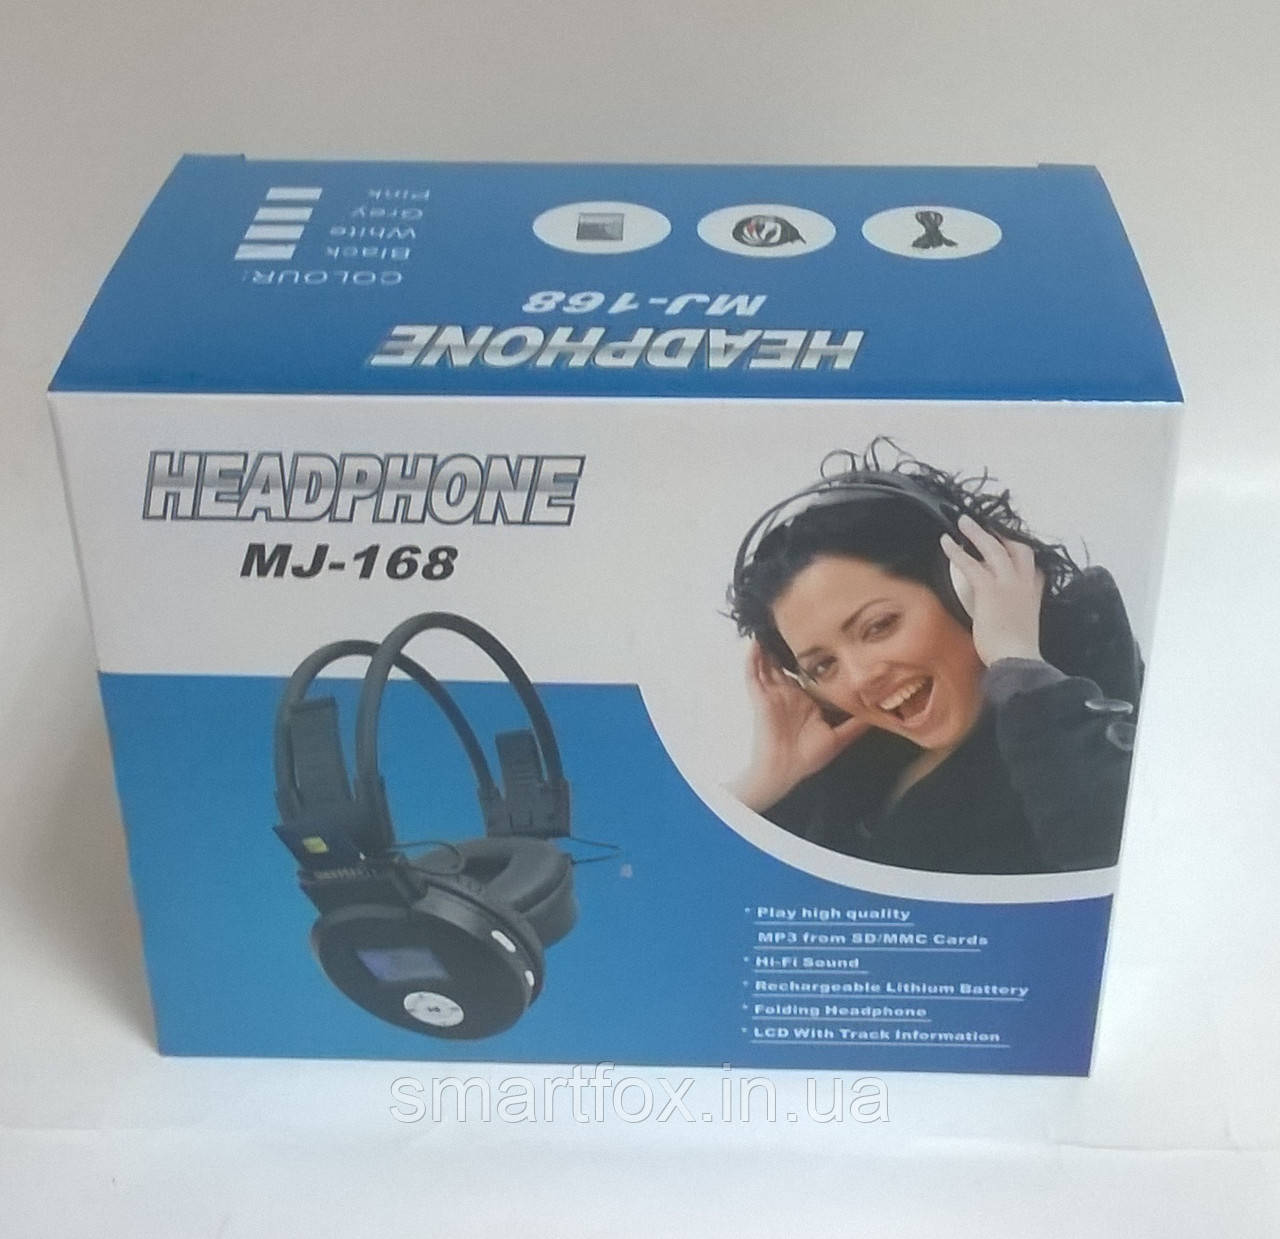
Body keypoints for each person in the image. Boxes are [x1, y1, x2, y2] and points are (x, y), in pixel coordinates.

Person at [726, 444, 1142, 875]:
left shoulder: (1081, 720)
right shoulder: (849, 775)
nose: (860, 678)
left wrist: (1018, 666)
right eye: (823, 666)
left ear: (962, 587)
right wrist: (766, 784)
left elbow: (1123, 870)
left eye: (879, 625)